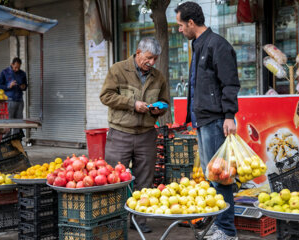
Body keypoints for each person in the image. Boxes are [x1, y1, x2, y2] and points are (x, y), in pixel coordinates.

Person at [175, 2, 240, 240]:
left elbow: (230, 83)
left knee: (220, 176)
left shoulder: (217, 45)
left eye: (181, 25)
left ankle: (227, 231)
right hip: (202, 120)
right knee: (210, 176)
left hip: (215, 120)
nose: (180, 29)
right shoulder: (199, 45)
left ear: (191, 23)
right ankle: (218, 224)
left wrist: (229, 115)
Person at [100, 37, 169, 233]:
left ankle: (139, 220)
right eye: (148, 58)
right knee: (114, 178)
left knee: (145, 180)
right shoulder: (118, 70)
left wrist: (159, 110)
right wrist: (132, 104)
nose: (152, 62)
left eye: (155, 59)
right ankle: (113, 219)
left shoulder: (159, 77)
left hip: (147, 134)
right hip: (120, 133)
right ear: (138, 53)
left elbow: (164, 101)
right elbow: (106, 96)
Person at [0, 57, 27, 134]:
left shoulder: (22, 74)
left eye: (18, 67)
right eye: (15, 67)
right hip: (9, 101)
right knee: (8, 122)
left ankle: (16, 140)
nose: (17, 69)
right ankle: (7, 142)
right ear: (12, 64)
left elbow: (25, 86)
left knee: (18, 122)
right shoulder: (4, 72)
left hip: (19, 101)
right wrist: (8, 86)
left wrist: (24, 86)